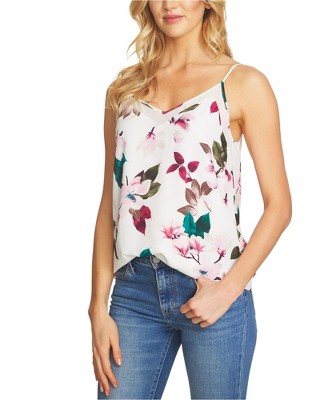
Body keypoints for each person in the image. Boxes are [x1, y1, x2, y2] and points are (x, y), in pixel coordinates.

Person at [88, 0, 292, 398]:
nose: (170, 4)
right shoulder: (123, 91)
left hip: (213, 289)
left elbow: (280, 205)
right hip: (133, 294)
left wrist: (228, 290)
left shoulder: (242, 83)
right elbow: (109, 204)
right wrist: (97, 306)